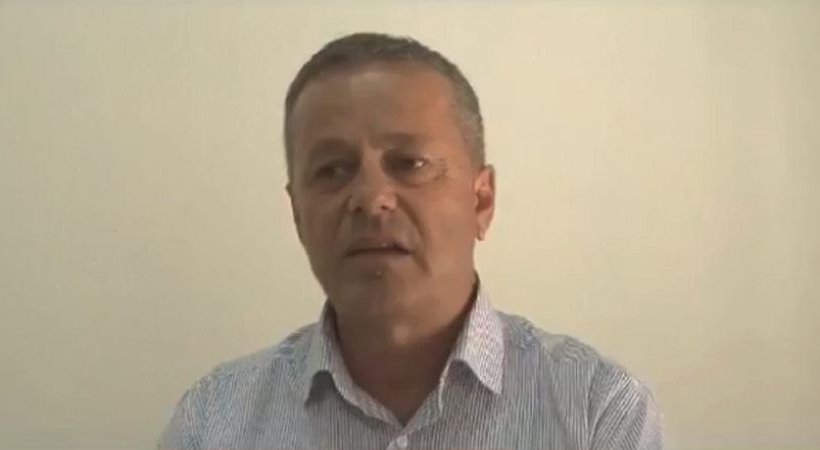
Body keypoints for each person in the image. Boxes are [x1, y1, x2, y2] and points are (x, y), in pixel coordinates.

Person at [158, 32, 665, 450]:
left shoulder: (597, 412)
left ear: (481, 201)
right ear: (297, 215)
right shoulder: (214, 422)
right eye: (332, 170)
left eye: (410, 164)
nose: (371, 198)